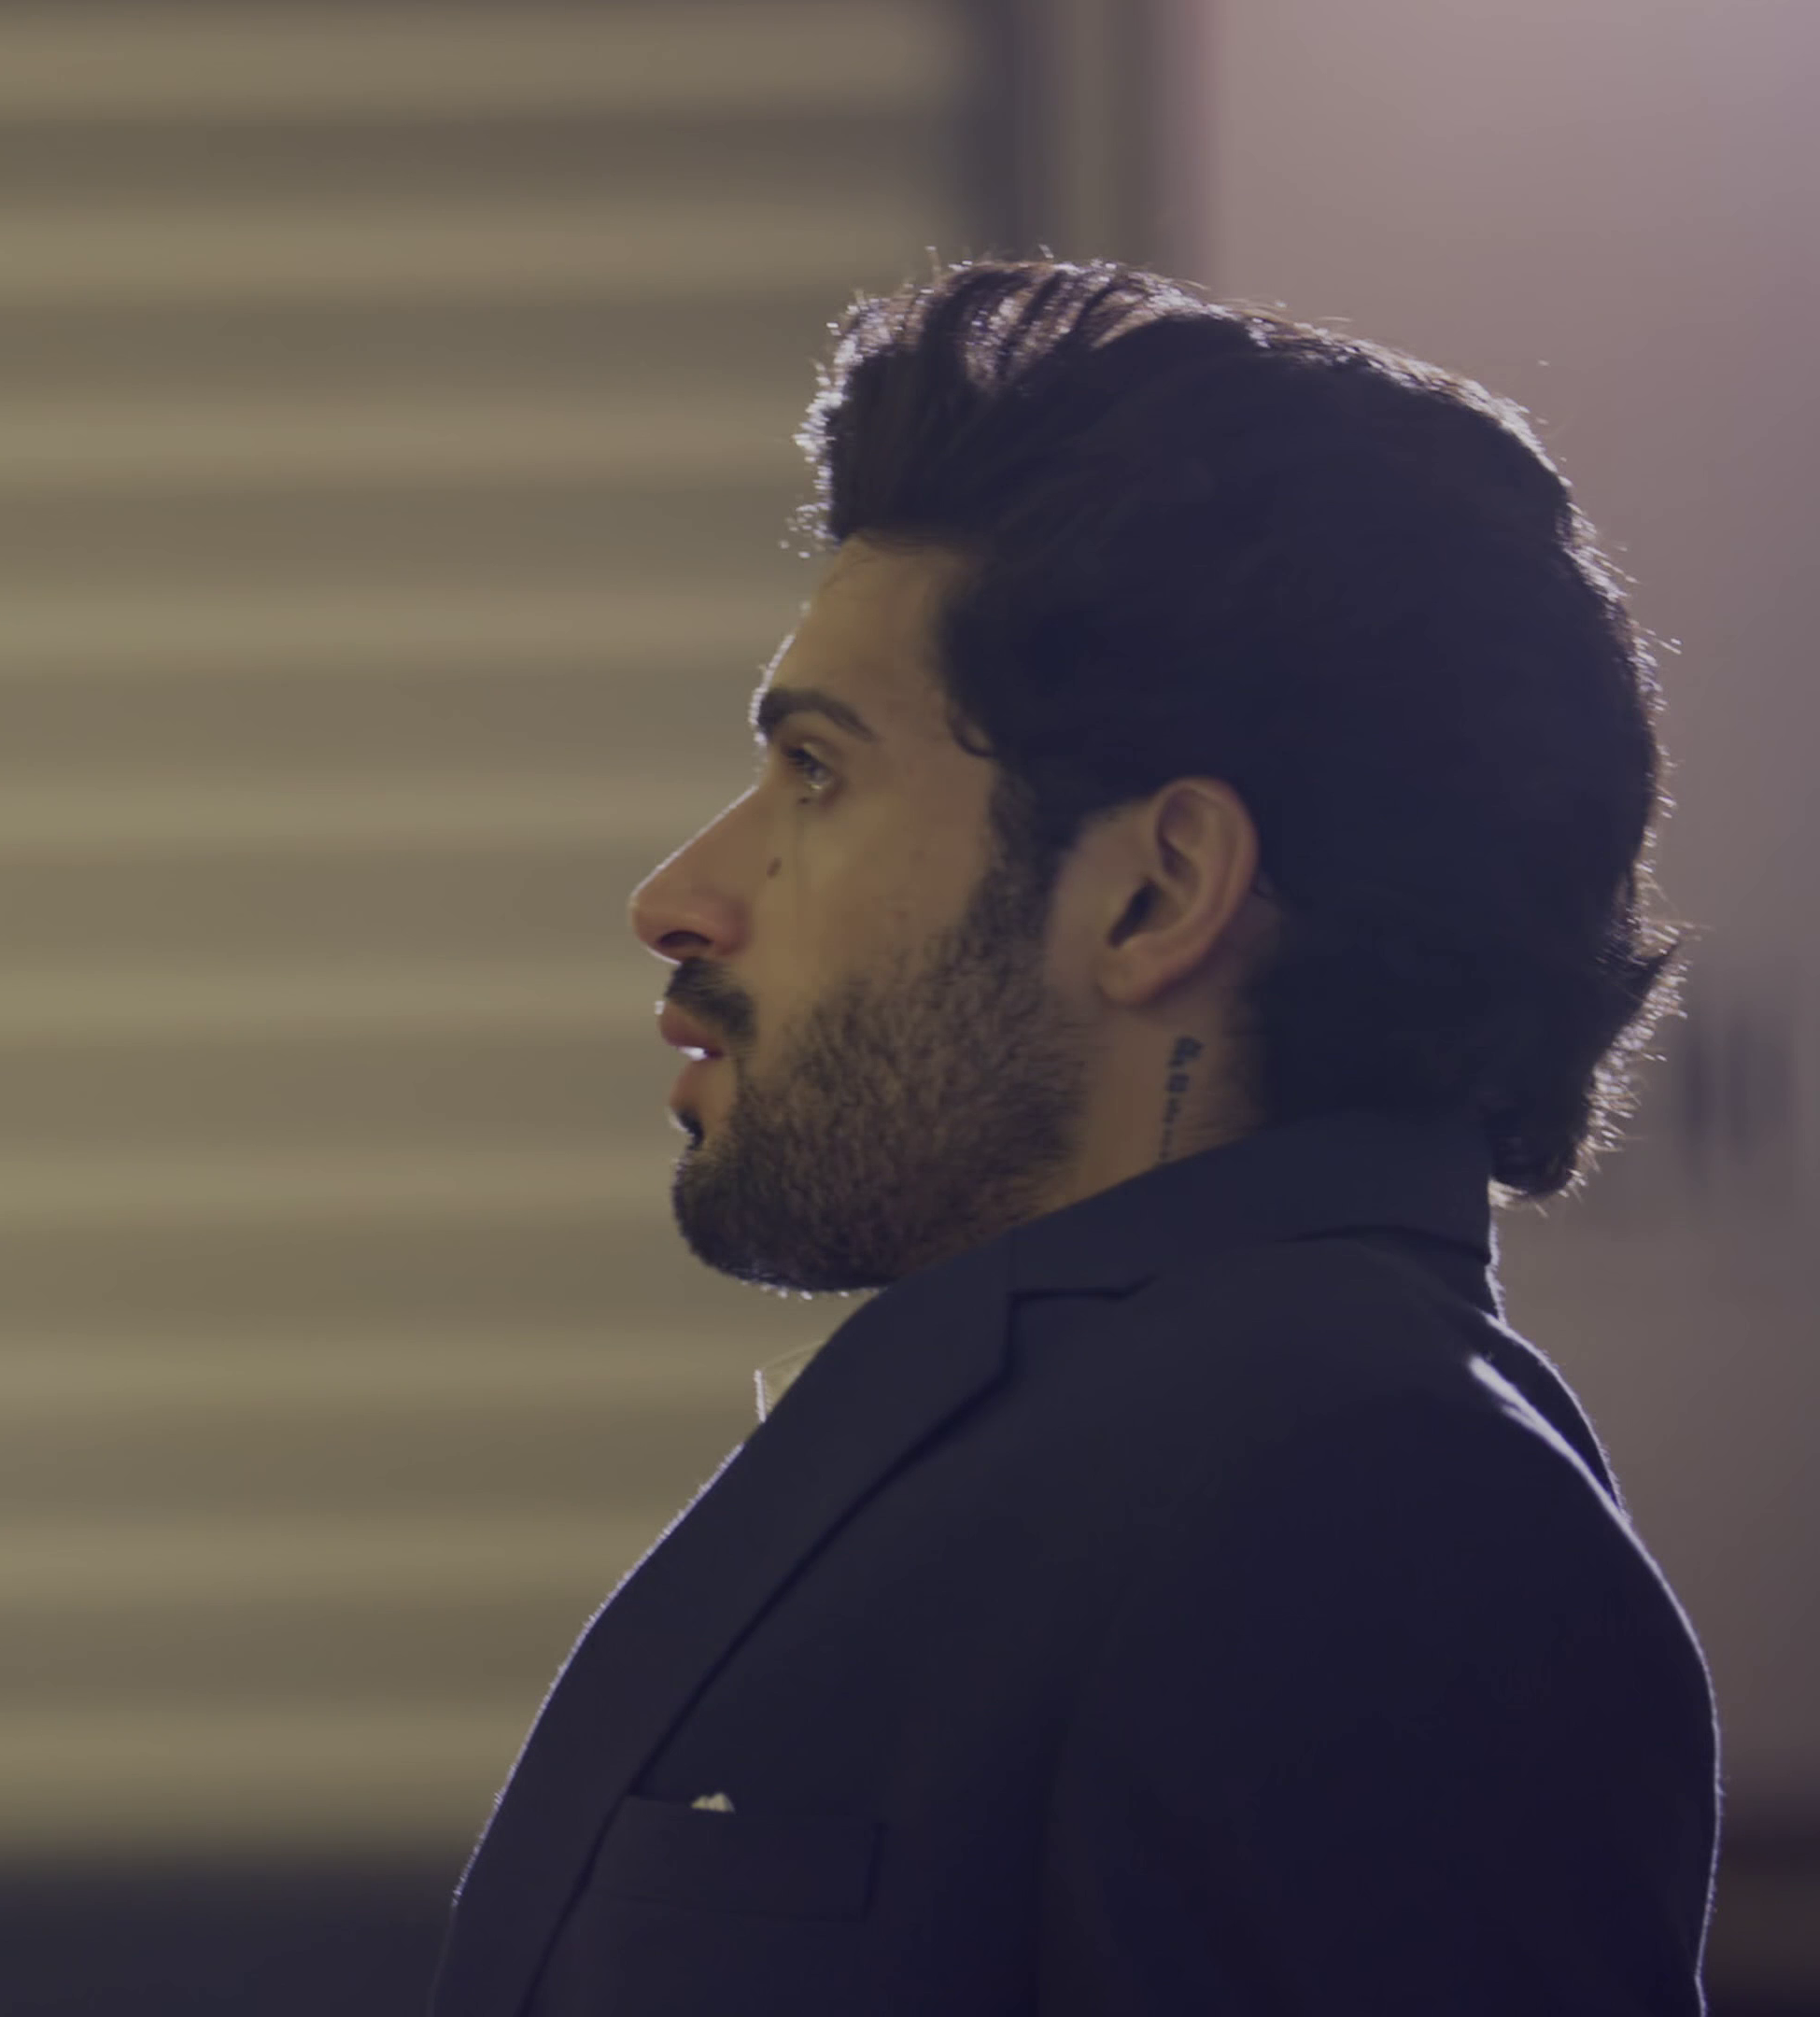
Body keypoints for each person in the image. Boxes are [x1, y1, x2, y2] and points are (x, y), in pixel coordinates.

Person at [433, 261, 1715, 2013]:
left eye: (819, 773)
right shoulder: (1116, 1435)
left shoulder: (1369, 1515)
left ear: (1155, 894)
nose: (681, 896)